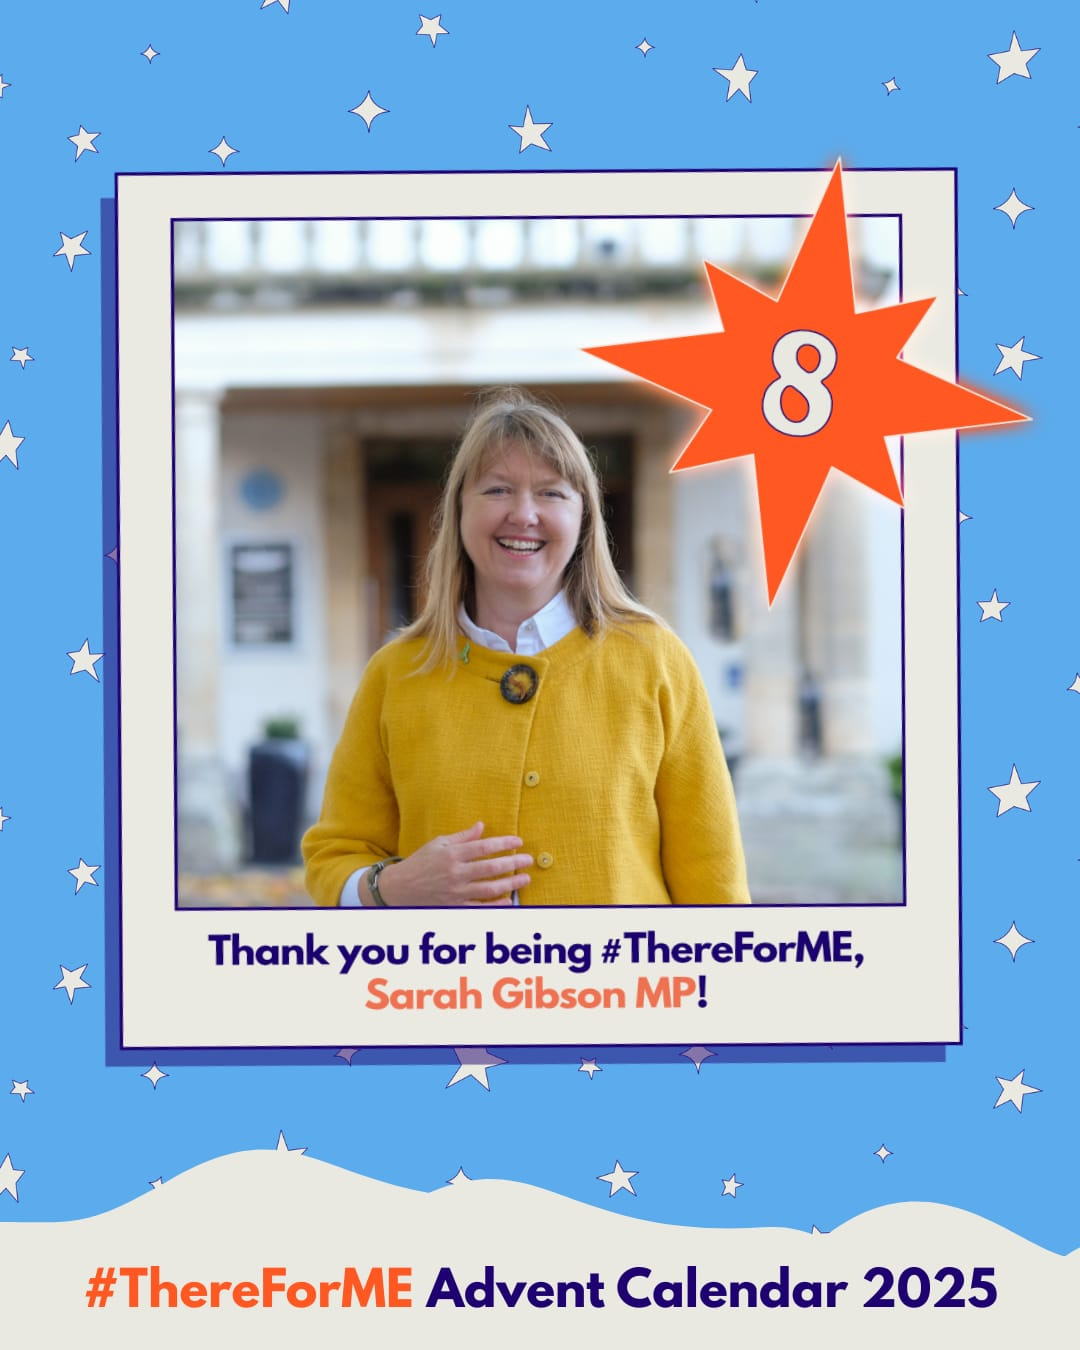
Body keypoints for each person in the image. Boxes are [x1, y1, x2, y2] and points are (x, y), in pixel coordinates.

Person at [302, 388, 750, 908]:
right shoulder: (396, 673)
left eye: (551, 493)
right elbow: (333, 855)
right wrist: (393, 888)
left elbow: (712, 875)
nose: (523, 514)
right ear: (458, 512)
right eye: (496, 490)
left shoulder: (654, 660)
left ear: (583, 518)